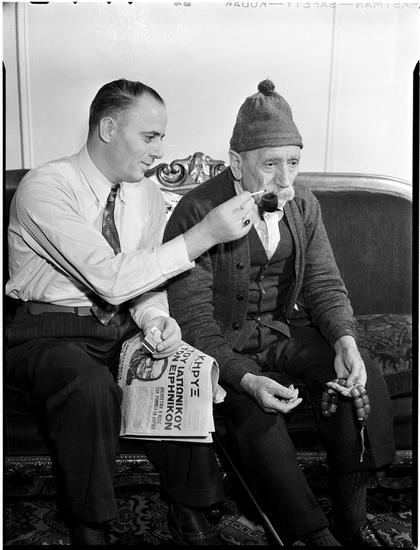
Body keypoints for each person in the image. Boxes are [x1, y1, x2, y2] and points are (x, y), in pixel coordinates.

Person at [5, 78, 256, 545]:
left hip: (119, 326)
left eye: (162, 137)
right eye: (150, 136)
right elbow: (109, 277)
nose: (159, 151)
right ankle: (91, 525)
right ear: (108, 128)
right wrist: (203, 234)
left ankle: (191, 509)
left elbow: (143, 281)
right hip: (46, 331)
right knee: (87, 383)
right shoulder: (45, 187)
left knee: (184, 365)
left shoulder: (145, 194)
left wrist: (156, 319)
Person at [164, 79, 396, 547]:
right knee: (257, 416)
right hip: (222, 348)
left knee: (359, 374)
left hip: (282, 333)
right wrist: (243, 376)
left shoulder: (303, 204)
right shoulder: (196, 211)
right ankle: (311, 535)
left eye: (293, 162)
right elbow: (192, 319)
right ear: (237, 163)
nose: (285, 180)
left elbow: (324, 284)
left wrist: (344, 340)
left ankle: (352, 517)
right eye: (270, 164)